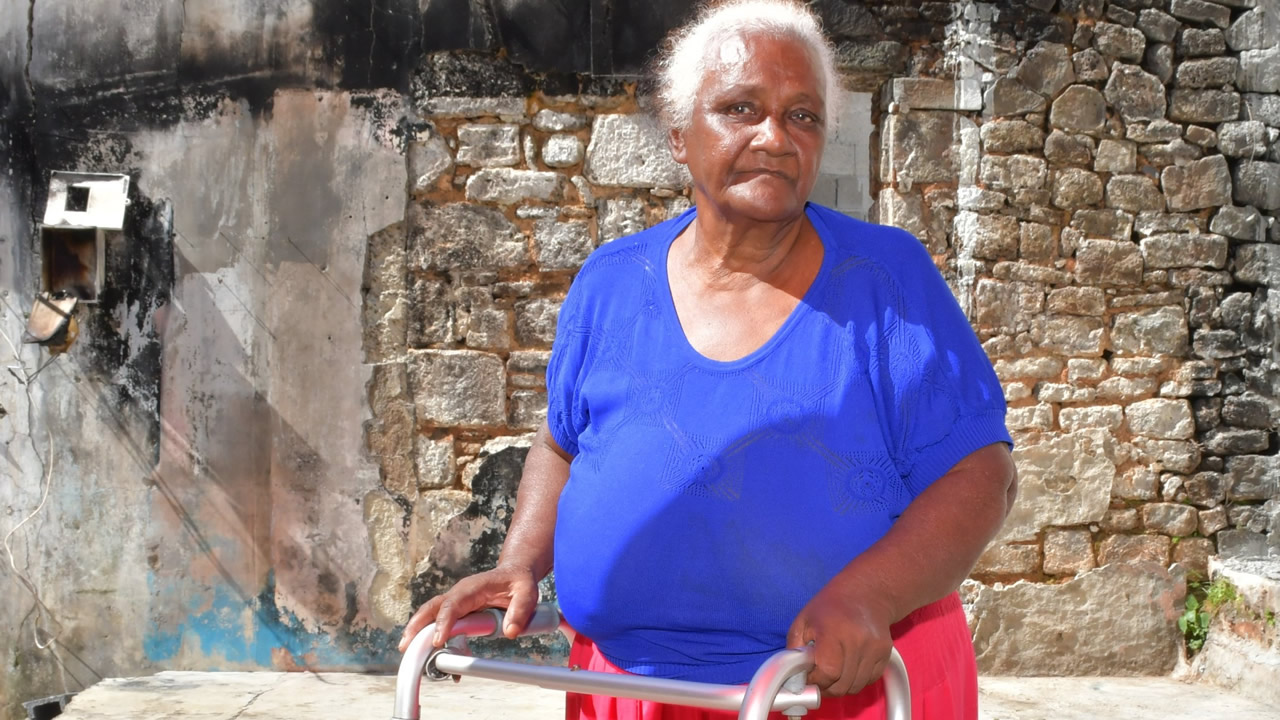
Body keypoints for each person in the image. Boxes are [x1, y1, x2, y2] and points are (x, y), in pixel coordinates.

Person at [400, 1, 1018, 718]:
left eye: (803, 116)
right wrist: (519, 564)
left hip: (834, 688)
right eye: (740, 108)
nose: (775, 137)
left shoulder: (887, 283)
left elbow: (981, 476)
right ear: (678, 137)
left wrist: (867, 594)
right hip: (629, 688)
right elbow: (562, 444)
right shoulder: (611, 282)